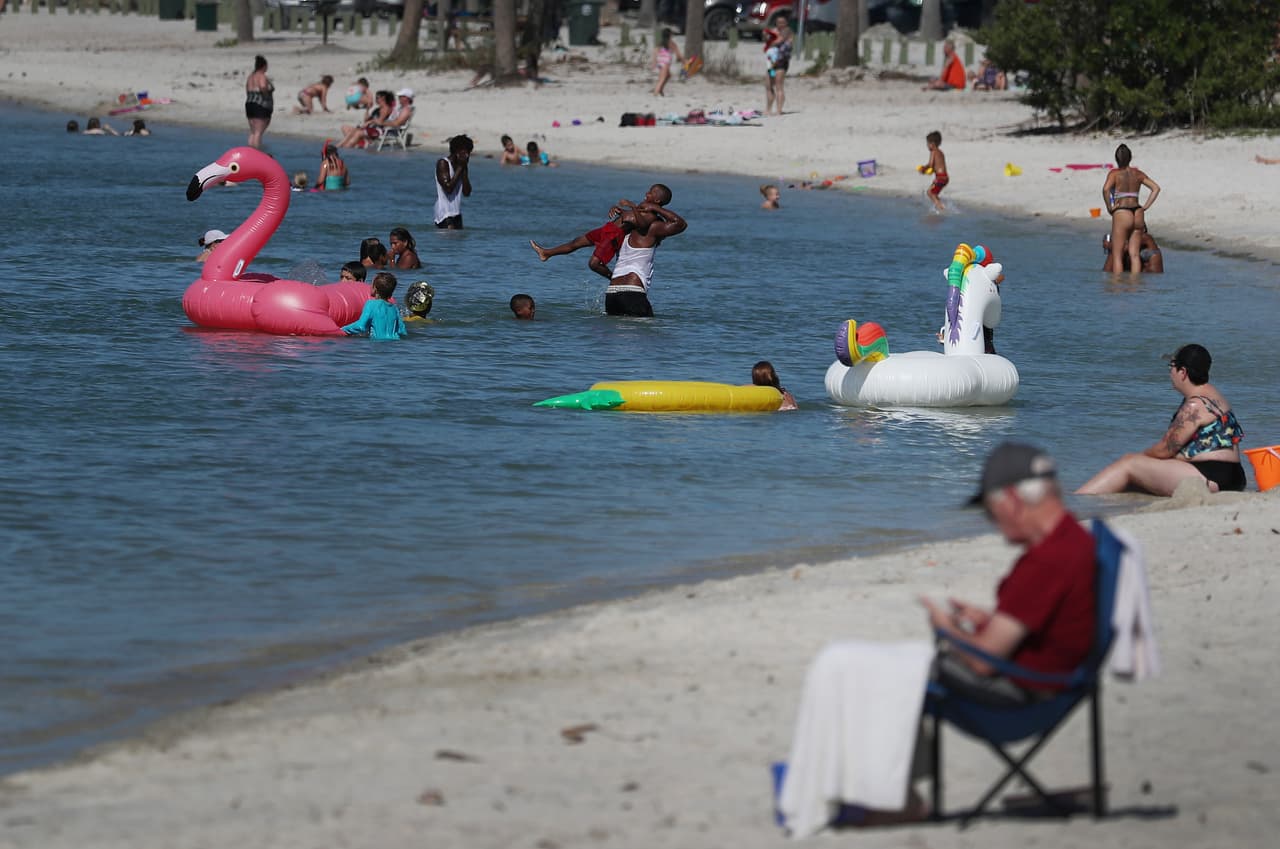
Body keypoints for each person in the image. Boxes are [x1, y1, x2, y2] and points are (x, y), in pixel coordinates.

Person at [926, 442, 1097, 707]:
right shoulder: (1076, 539)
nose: (993, 523)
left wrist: (945, 628)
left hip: (1028, 693)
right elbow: (1049, 622)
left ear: (1012, 500)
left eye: (990, 511)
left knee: (907, 671)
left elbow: (982, 663)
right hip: (1059, 682)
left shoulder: (1045, 561)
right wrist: (988, 622)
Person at [1077, 344, 1246, 495]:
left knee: (1129, 464)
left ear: (1182, 372)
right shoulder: (1214, 396)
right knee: (1135, 480)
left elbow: (1165, 449)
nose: (1169, 373)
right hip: (1232, 476)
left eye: (1171, 367)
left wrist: (1141, 457)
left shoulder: (1195, 405)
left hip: (1211, 477)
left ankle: (1079, 499)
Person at [530, 184, 674, 280]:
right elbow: (630, 217)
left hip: (614, 235)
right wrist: (619, 210)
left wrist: (632, 206)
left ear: (657, 200)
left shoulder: (651, 215)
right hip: (608, 229)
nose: (646, 193)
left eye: (651, 192)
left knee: (594, 264)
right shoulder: (644, 207)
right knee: (576, 242)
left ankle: (614, 278)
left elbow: (641, 224)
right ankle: (547, 253)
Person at [605, 201, 687, 317]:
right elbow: (680, 224)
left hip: (611, 293)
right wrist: (655, 208)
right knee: (647, 328)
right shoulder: (651, 231)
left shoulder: (621, 234)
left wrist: (623, 212)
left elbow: (595, 263)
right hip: (632, 291)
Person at [1102, 143, 1160, 274]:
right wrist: (1145, 207)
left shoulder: (1114, 174)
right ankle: (1135, 284)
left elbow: (1105, 189)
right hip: (1137, 211)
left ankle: (1117, 283)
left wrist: (1110, 207)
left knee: (1117, 255)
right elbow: (1156, 188)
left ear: (1116, 159)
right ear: (1130, 158)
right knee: (1134, 255)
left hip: (1122, 211)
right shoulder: (1138, 173)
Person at [342, 272, 407, 341]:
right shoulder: (394, 308)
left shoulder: (371, 304)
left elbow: (360, 326)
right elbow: (402, 331)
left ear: (375, 289)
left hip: (378, 342)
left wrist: (341, 329)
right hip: (395, 342)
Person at [435, 134, 474, 230]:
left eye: (469, 152)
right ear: (457, 151)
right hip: (445, 214)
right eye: (466, 152)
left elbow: (467, 192)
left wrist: (463, 169)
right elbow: (448, 188)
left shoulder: (462, 166)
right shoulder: (443, 163)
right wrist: (460, 167)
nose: (467, 155)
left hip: (456, 213)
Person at [763, 16, 793, 116]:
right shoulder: (774, 31)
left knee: (778, 85)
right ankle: (768, 109)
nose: (780, 24)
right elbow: (767, 41)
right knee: (769, 85)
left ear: (786, 23)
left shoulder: (787, 31)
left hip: (781, 63)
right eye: (778, 22)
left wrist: (770, 39)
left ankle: (779, 110)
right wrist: (766, 35)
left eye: (782, 22)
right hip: (771, 63)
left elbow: (778, 41)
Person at [245, 55, 274, 149]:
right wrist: (266, 95)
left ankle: (250, 150)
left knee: (253, 131)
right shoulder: (261, 76)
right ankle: (256, 152)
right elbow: (262, 86)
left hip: (249, 104)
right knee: (258, 132)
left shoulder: (250, 76)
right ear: (264, 66)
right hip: (260, 105)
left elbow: (247, 89)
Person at [919, 130, 949, 212]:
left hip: (940, 178)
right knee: (933, 194)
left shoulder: (933, 152)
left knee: (930, 193)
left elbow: (930, 165)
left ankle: (941, 208)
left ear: (932, 144)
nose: (927, 146)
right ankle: (941, 206)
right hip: (944, 177)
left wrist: (923, 169)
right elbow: (936, 167)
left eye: (927, 144)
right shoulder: (940, 152)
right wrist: (929, 171)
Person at [652, 28, 683, 97]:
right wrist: (684, 61)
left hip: (660, 62)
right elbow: (679, 55)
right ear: (670, 35)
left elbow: (655, 52)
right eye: (672, 34)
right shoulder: (672, 44)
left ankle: (660, 90)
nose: (672, 35)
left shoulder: (661, 43)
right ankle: (655, 94)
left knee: (668, 75)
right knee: (662, 79)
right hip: (665, 63)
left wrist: (654, 62)